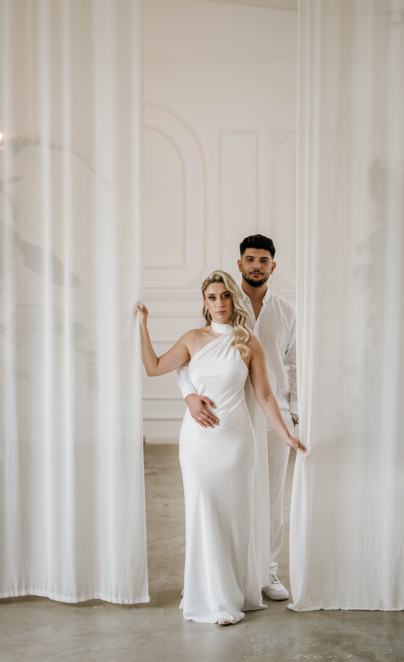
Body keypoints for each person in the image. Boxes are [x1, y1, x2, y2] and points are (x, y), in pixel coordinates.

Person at [135, 271, 306, 626]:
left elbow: (265, 395)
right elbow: (153, 368)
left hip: (237, 442)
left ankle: (229, 595)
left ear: (233, 299)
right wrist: (142, 325)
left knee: (233, 518)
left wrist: (287, 435)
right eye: (211, 297)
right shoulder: (193, 339)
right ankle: (207, 595)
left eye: (224, 296)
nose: (218, 303)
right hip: (198, 443)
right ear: (204, 302)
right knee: (204, 513)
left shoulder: (248, 343)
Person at [177, 234, 299, 601]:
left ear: (272, 266)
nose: (256, 266)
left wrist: (293, 414)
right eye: (250, 259)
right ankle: (228, 573)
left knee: (272, 498)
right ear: (240, 263)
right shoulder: (223, 300)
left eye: (263, 260)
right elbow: (189, 358)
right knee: (231, 497)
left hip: (273, 414)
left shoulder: (287, 312)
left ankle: (268, 570)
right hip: (228, 417)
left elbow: (295, 365)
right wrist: (188, 395)